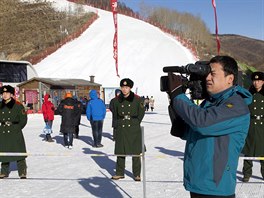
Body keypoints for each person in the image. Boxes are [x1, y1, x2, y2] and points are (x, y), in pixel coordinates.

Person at [167, 56, 252, 197]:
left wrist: (179, 97)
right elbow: (187, 131)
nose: (207, 78)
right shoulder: (210, 104)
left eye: (213, 74)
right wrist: (173, 99)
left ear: (230, 79)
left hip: (216, 188)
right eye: (206, 74)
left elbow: (202, 123)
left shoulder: (236, 105)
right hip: (197, 184)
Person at [111, 78, 145, 182]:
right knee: (121, 151)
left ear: (130, 88)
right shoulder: (115, 101)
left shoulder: (138, 100)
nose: (124, 89)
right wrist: (115, 128)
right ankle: (119, 173)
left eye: (126, 87)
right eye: (123, 87)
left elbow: (140, 114)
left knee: (136, 152)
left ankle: (137, 174)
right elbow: (115, 116)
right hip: (121, 127)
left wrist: (135, 123)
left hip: (133, 128)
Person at [0, 85, 28, 179]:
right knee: (3, 152)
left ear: (11, 94)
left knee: (19, 152)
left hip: (15, 131)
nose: (4, 95)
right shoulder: (0, 105)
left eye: (7, 93)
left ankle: (22, 171)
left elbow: (23, 120)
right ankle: (4, 172)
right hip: (3, 131)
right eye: (3, 93)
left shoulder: (18, 105)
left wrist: (16, 128)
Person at [242, 71, 264, 182]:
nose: (256, 83)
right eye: (254, 80)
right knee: (249, 149)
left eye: (259, 81)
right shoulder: (248, 94)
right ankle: (246, 174)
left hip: (262, 125)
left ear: (263, 82)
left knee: (263, 150)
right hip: (250, 123)